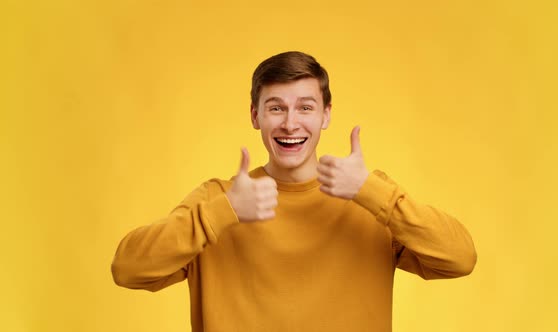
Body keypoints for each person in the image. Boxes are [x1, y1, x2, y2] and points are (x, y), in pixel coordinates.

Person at [111, 51, 477, 332]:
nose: (290, 123)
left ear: (326, 115)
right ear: (255, 115)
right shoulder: (219, 201)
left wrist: (371, 193)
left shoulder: (369, 197)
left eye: (305, 107)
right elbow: (128, 270)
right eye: (275, 108)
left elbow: (459, 258)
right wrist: (224, 212)